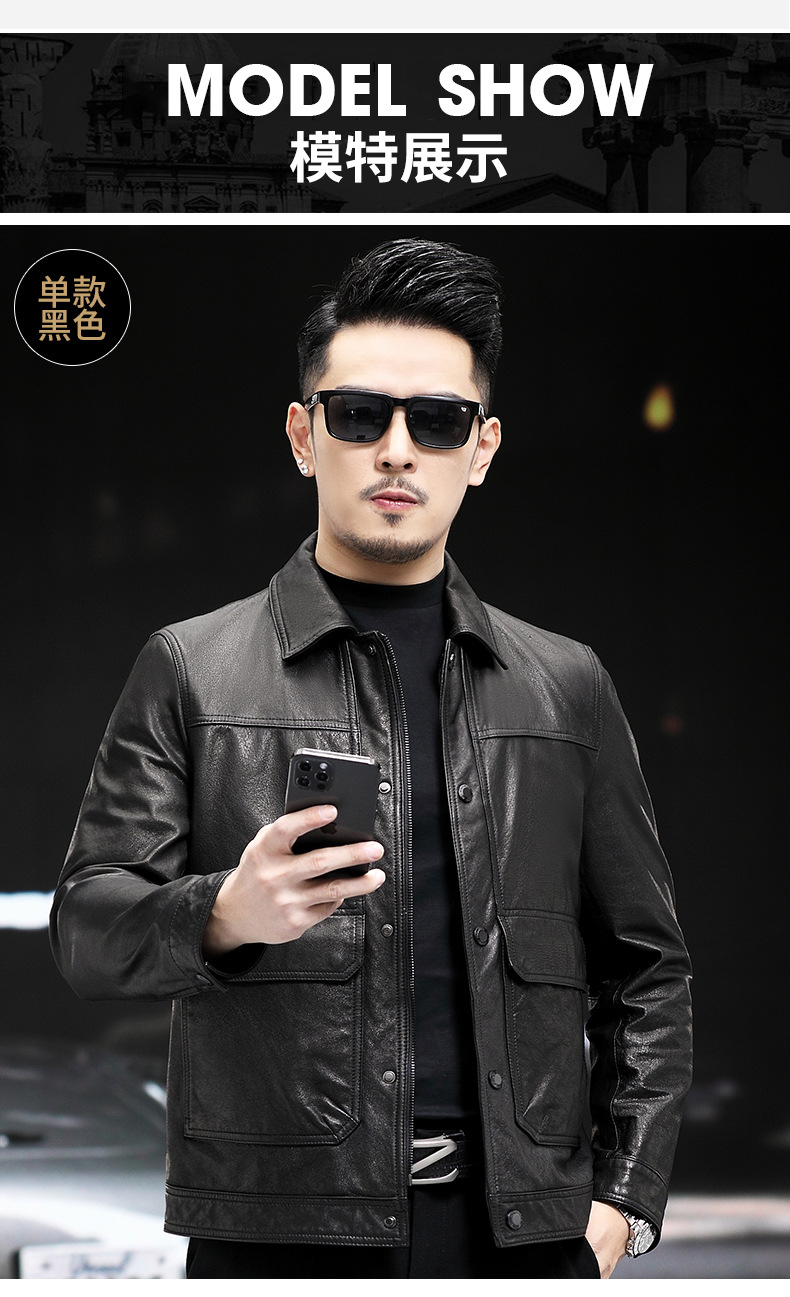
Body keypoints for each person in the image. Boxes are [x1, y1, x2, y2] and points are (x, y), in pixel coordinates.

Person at [50, 238, 692, 1280]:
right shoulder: (191, 667)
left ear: (480, 448)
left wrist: (625, 1196)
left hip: (521, 1238)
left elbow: (647, 966)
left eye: (435, 422)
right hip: (277, 1236)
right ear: (304, 435)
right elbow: (85, 926)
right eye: (359, 415)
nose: (397, 450)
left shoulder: (563, 684)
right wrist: (222, 914)